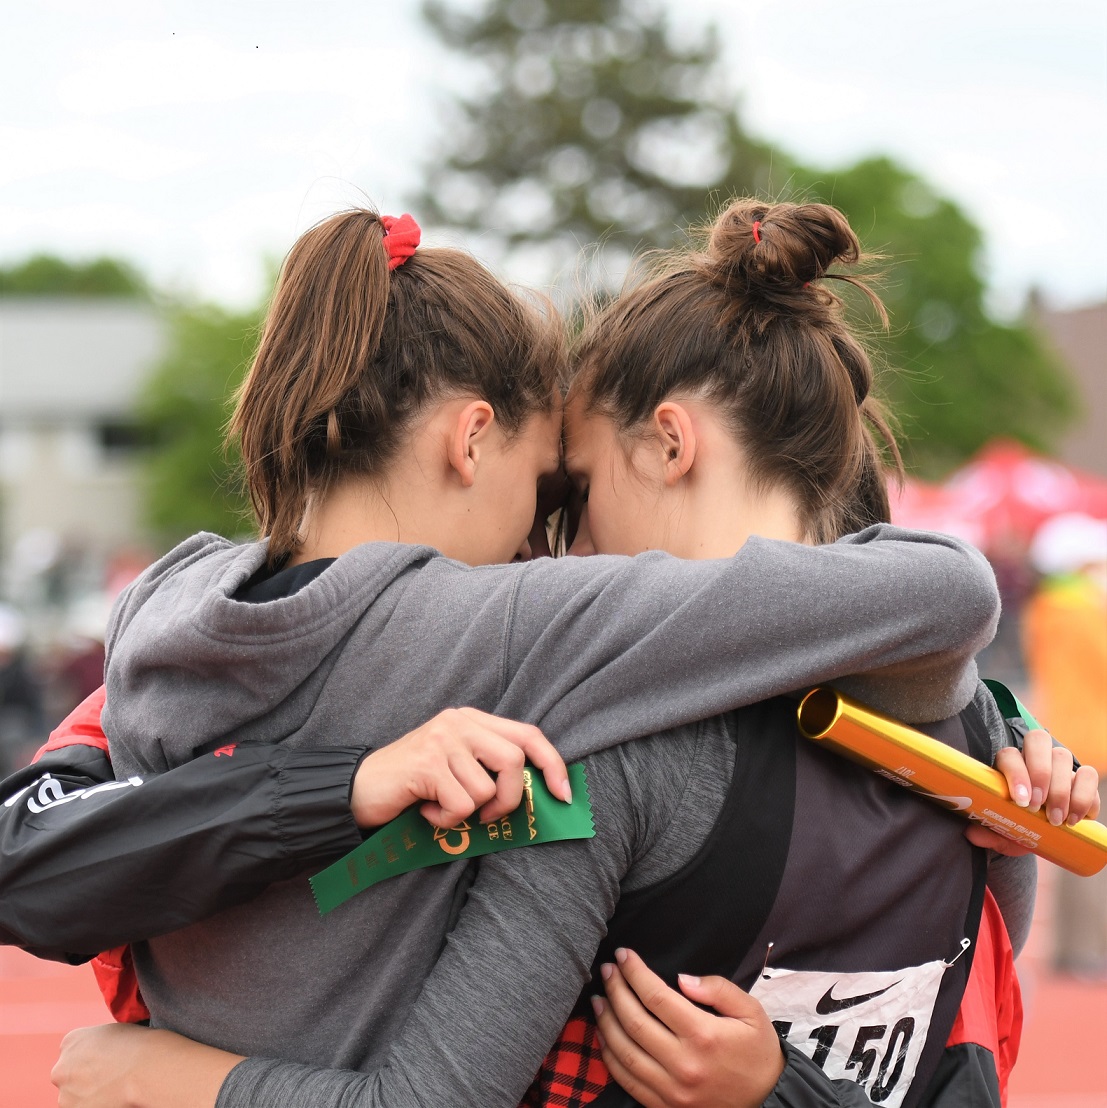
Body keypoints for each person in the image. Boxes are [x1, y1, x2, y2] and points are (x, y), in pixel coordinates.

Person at [38, 201, 1093, 1108]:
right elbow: (974, 1054)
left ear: (672, 443)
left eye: (572, 492)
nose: (557, 545)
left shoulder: (167, 601)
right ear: (470, 437)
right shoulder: (974, 745)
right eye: (551, 494)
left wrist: (163, 1073)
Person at [1023, 512, 1107, 978]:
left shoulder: (1049, 608)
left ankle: (1078, 949)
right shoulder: (1083, 613)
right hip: (1096, 740)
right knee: (1093, 847)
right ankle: (1085, 951)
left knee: (1078, 843)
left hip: (1069, 735)